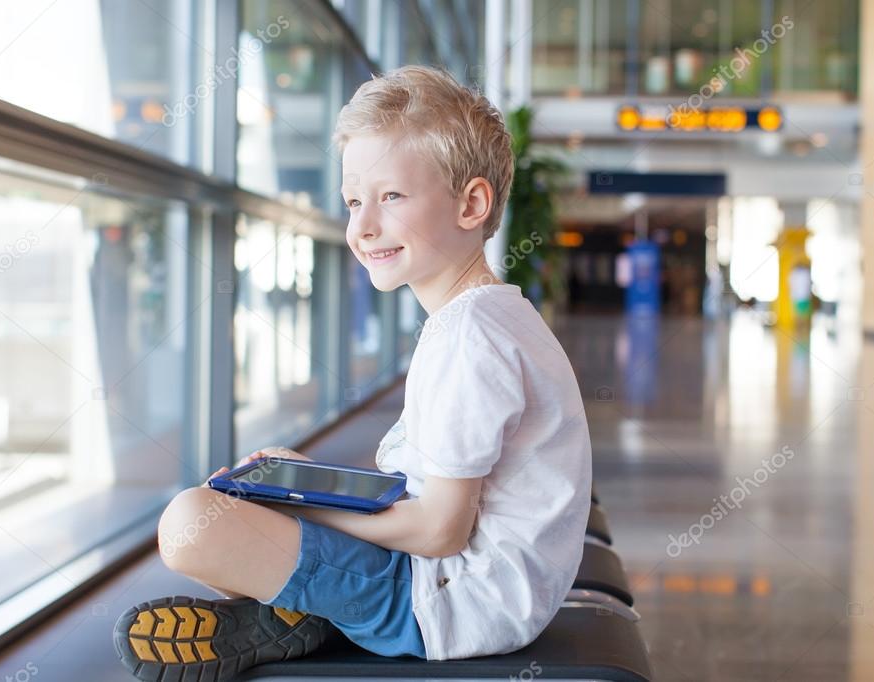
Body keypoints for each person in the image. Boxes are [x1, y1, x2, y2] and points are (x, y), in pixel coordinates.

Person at [113, 65, 592, 681]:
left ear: (472, 203)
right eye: (354, 201)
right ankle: (303, 611)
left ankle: (310, 613)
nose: (363, 226)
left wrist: (302, 509)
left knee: (189, 526)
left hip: (451, 605)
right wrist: (309, 485)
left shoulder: (469, 337)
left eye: (391, 197)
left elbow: (442, 530)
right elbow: (436, 492)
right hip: (476, 587)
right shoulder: (492, 316)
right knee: (231, 505)